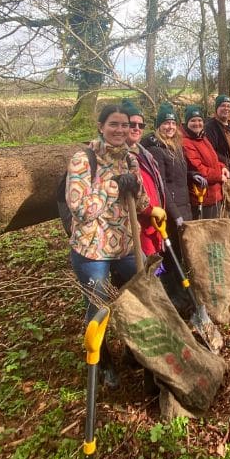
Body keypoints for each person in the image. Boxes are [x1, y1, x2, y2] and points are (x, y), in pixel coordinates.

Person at [67, 104, 149, 388]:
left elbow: (144, 204)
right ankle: (101, 361)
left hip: (127, 247)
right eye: (114, 124)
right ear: (101, 126)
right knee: (100, 306)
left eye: (125, 125)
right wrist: (113, 186)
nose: (121, 130)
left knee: (144, 293)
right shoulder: (83, 159)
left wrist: (136, 187)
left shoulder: (130, 159)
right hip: (92, 251)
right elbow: (80, 210)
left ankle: (134, 350)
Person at [141, 102, 193, 317]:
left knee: (181, 254)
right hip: (170, 214)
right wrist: (176, 215)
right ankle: (173, 296)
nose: (170, 127)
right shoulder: (156, 150)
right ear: (158, 126)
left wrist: (193, 177)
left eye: (172, 122)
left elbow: (179, 178)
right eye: (165, 123)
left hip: (185, 206)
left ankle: (183, 293)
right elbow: (163, 186)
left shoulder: (176, 146)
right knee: (170, 257)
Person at [121, 98, 166, 256]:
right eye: (132, 124)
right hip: (136, 226)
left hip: (154, 223)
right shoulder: (119, 156)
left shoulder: (145, 153)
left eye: (141, 125)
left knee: (154, 267)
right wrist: (150, 210)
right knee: (141, 272)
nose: (137, 128)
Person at [181, 104, 230, 219]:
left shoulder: (202, 137)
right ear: (186, 123)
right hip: (202, 196)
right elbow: (198, 168)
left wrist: (222, 167)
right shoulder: (186, 142)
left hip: (215, 194)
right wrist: (218, 176)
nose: (197, 123)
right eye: (193, 120)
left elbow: (213, 160)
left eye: (199, 120)